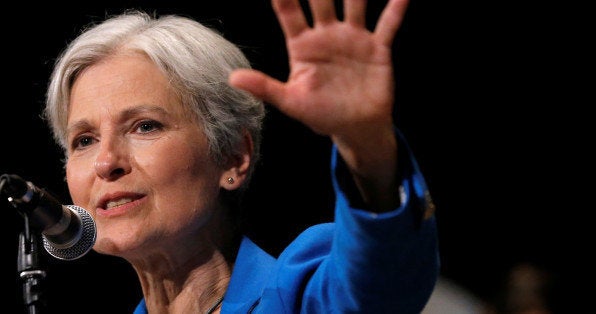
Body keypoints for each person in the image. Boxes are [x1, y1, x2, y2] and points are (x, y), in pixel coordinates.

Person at [42, 0, 439, 312]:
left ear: (233, 157)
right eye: (84, 140)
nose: (106, 162)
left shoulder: (300, 296)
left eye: (146, 126)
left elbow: (383, 281)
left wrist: (364, 139)